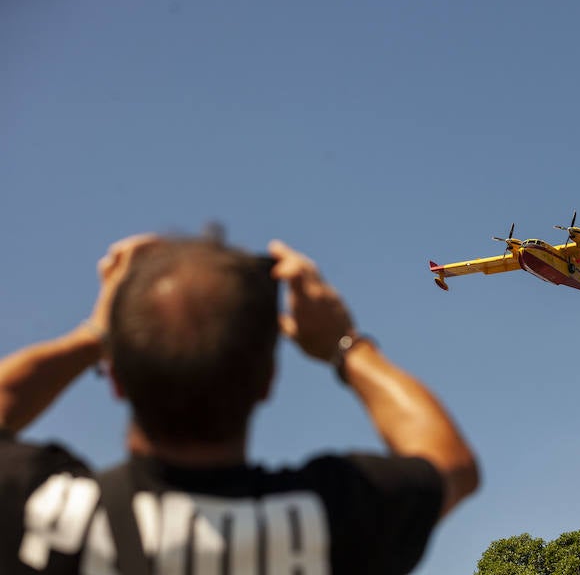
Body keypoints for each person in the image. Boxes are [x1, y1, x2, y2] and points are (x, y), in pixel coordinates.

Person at [0, 233, 479, 574]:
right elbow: (450, 463)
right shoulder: (323, 523)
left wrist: (99, 332)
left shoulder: (42, 508)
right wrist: (345, 344)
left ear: (117, 380)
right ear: (268, 380)